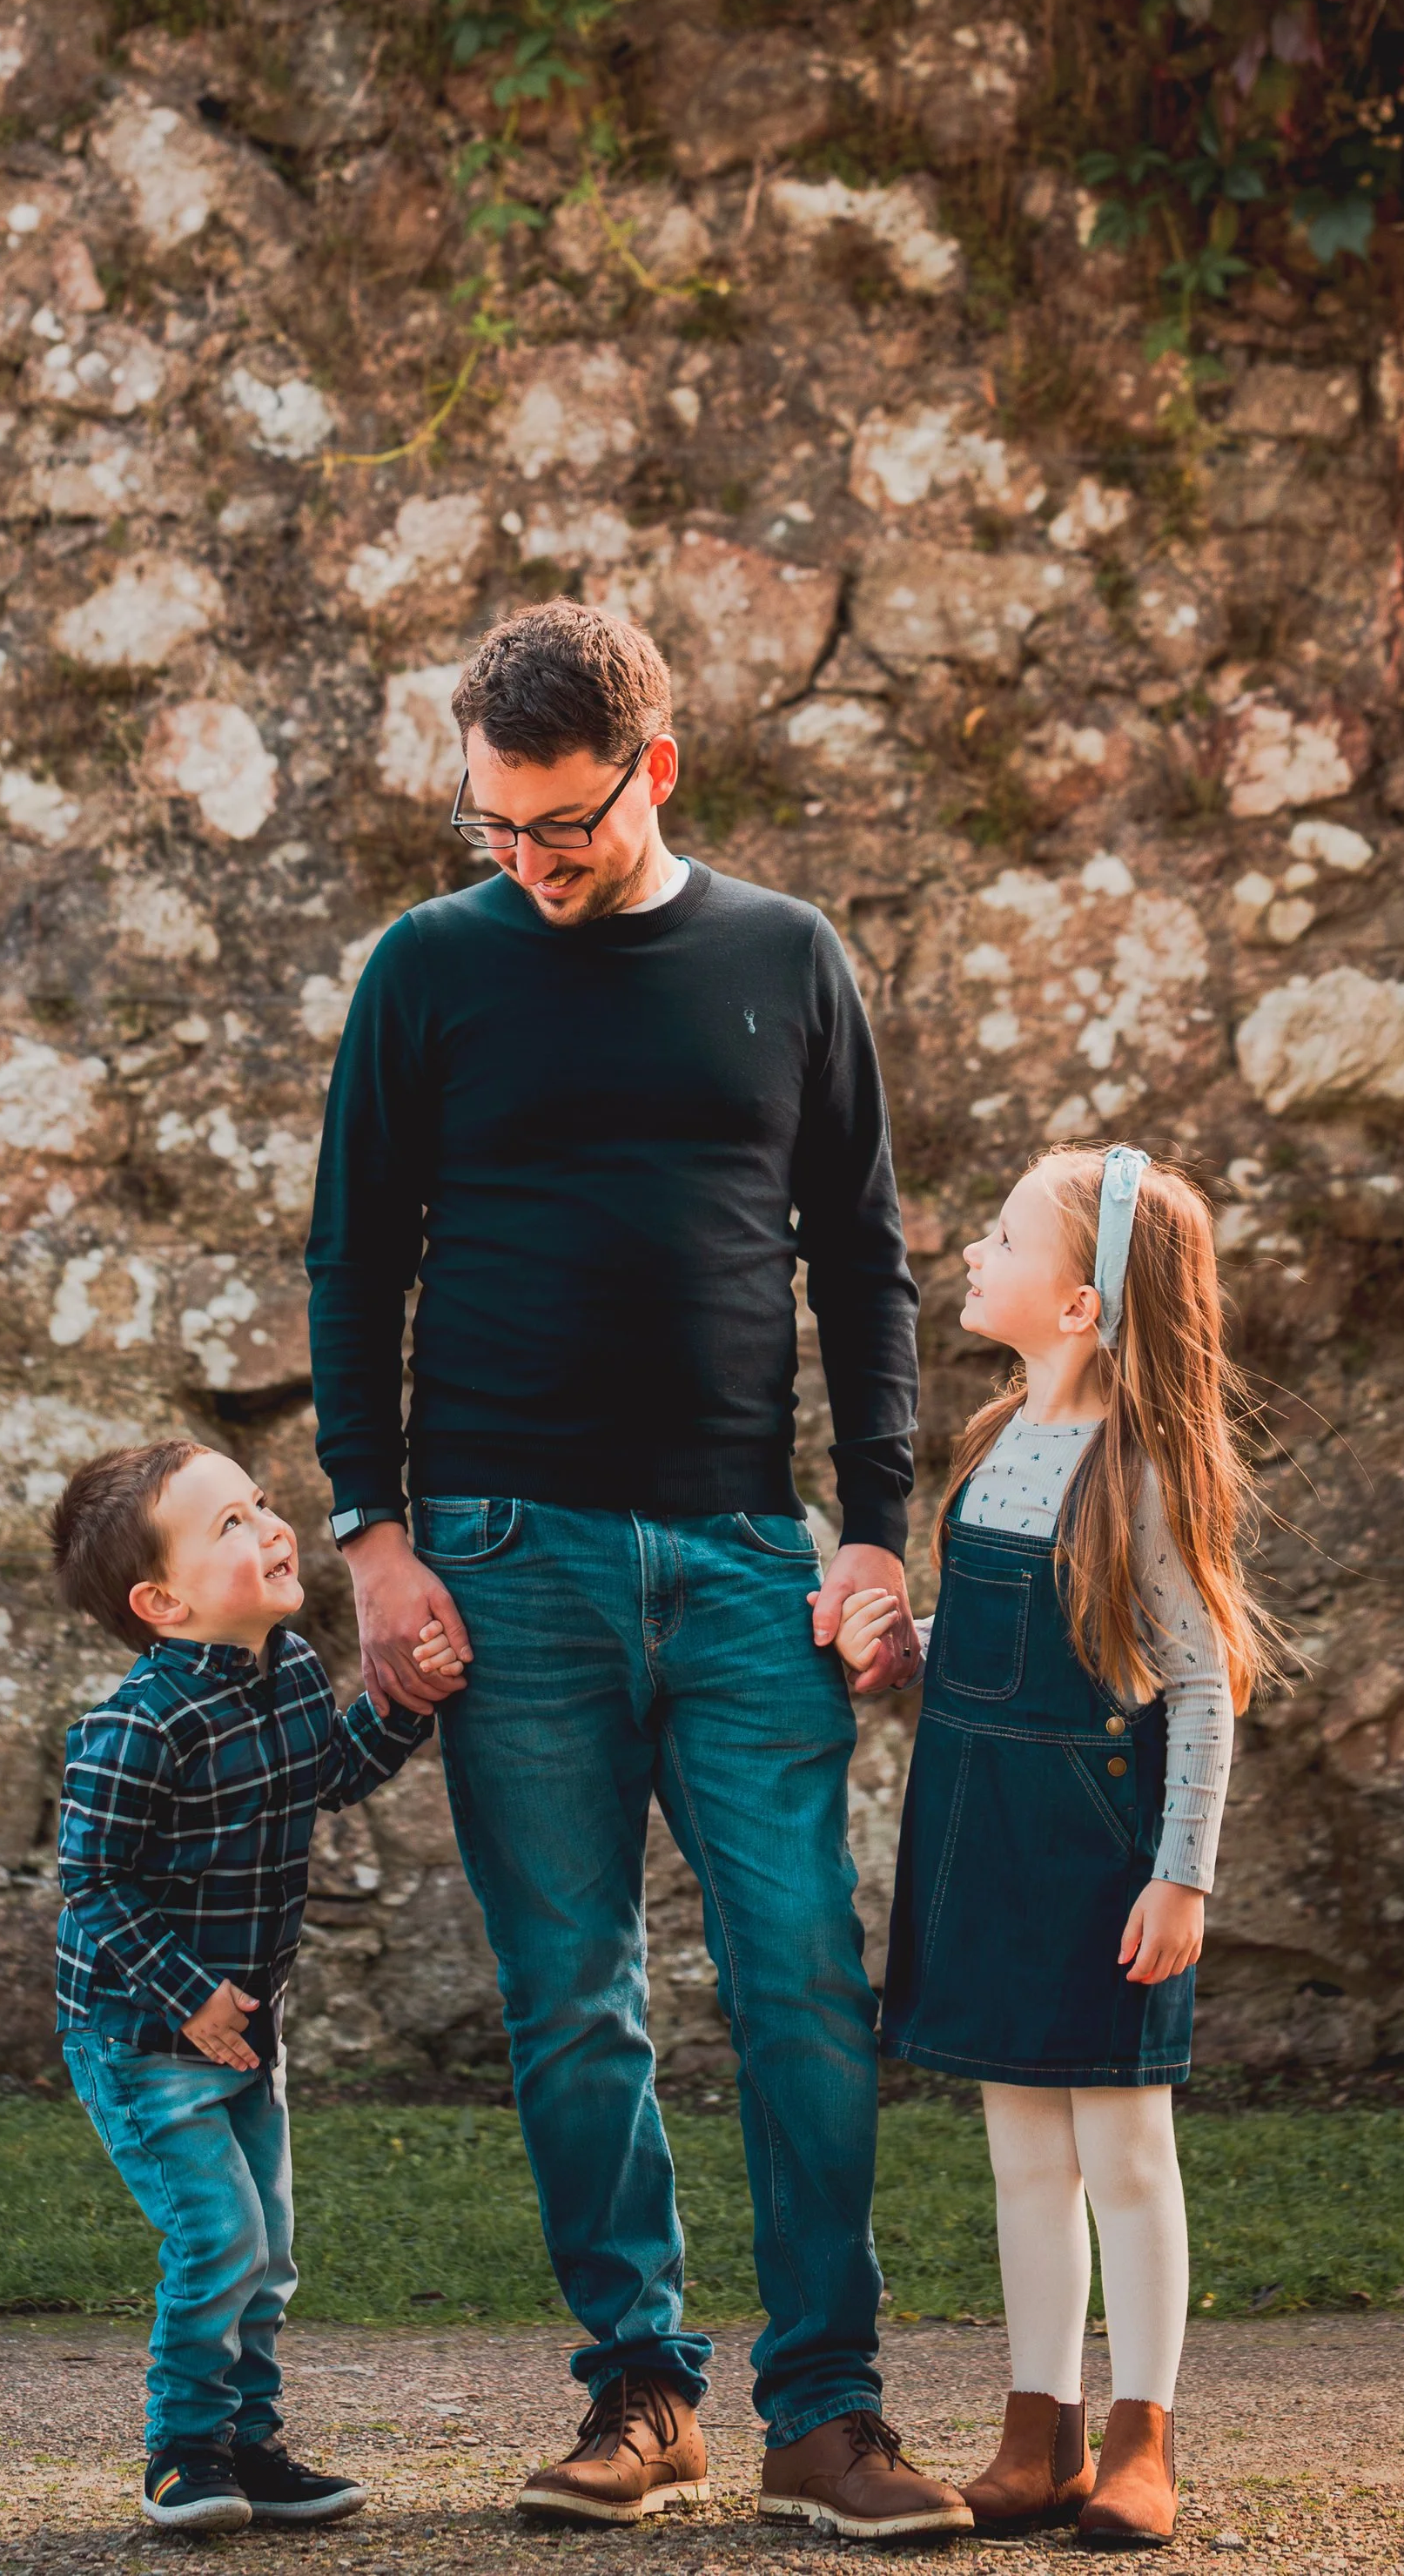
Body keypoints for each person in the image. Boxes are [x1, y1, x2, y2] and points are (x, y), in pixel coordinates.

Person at [306, 599, 971, 2539]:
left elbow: (862, 1259)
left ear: (652, 771)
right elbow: (352, 1262)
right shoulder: (426, 971)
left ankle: (825, 2414)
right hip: (504, 1560)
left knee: (800, 1986)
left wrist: (868, 1522)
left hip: (750, 1555)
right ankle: (639, 2392)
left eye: (562, 824)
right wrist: (373, 1538)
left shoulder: (784, 957)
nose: (526, 860)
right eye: (493, 826)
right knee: (568, 1996)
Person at [849, 1144, 1280, 2551]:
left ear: (1083, 1306)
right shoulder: (990, 1445)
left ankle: (1144, 2435)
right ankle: (1038, 2433)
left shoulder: (1140, 1471)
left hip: (1104, 1862)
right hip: (985, 1843)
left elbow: (1202, 1680)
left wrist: (1184, 1871)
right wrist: (898, 1645)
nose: (972, 1253)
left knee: (1127, 2151)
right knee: (1022, 2156)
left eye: (1004, 1238)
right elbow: (986, 1647)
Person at [50, 1436, 456, 2534]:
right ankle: (181, 2451)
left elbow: (329, 1773)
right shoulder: (137, 1726)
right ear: (162, 1602)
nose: (273, 1527)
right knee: (218, 2237)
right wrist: (186, 1991)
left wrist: (408, 1704)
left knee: (267, 2251)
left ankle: (250, 2446)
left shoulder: (282, 1674)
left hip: (246, 2031)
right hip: (144, 2035)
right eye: (228, 1524)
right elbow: (91, 1877)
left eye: (262, 1504)